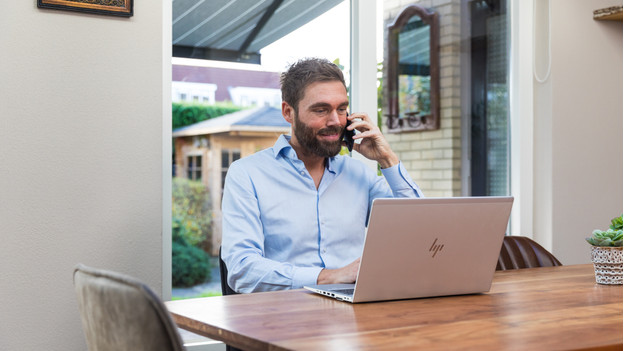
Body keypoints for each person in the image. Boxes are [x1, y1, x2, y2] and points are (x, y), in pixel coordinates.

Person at [221, 58, 423, 293]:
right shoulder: (247, 174)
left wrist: (387, 159)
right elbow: (242, 270)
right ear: (289, 112)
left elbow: (418, 231)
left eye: (341, 109)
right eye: (321, 110)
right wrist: (329, 277)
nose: (335, 121)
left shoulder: (358, 173)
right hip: (284, 316)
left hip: (357, 314)